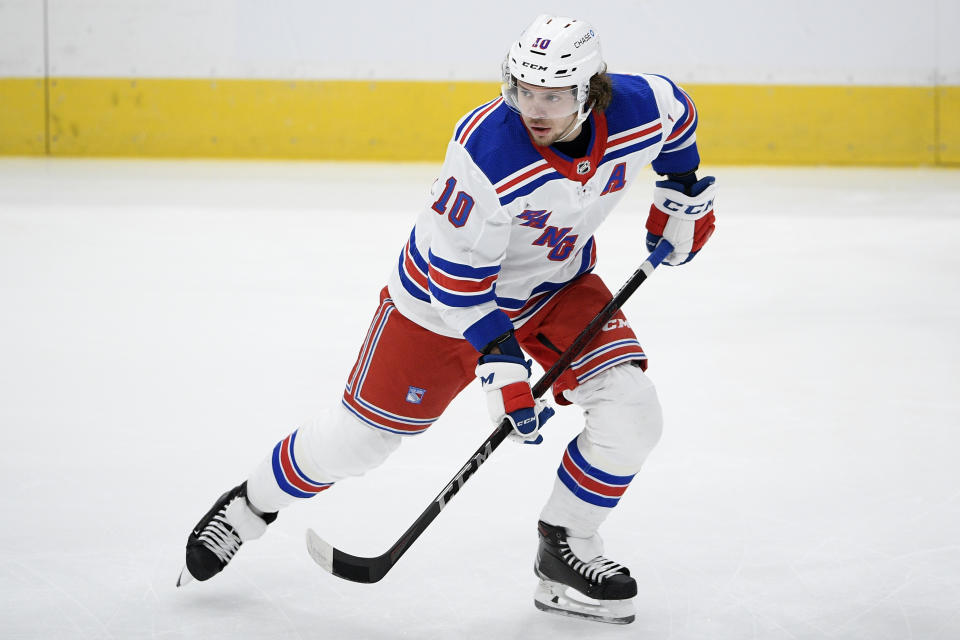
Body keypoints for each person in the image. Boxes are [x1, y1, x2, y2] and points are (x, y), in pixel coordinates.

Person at [178, 14, 716, 625]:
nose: (534, 110)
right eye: (523, 91)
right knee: (361, 442)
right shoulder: (486, 150)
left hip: (554, 288)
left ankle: (565, 547)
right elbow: (456, 278)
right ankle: (250, 507)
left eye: (555, 95)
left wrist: (683, 194)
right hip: (440, 305)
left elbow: (679, 119)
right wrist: (500, 364)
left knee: (633, 410)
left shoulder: (642, 105)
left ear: (592, 91)